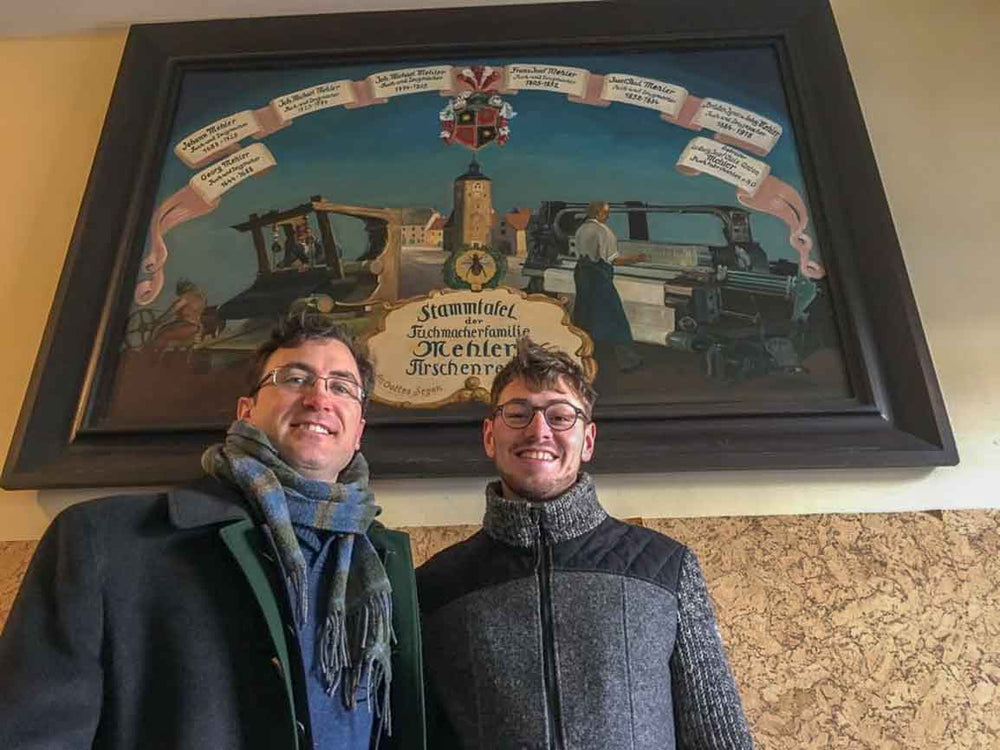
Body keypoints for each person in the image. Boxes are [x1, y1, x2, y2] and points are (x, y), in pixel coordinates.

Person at [0, 316, 425, 750]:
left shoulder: (384, 562)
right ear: (246, 412)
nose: (319, 397)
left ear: (358, 433)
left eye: (341, 387)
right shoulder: (101, 541)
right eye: (295, 377)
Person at [417, 338, 754, 750]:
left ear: (588, 441)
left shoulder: (666, 568)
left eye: (560, 416)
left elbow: (718, 738)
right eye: (518, 414)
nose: (539, 430)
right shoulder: (436, 587)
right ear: (489, 436)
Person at [571, 201, 648, 373]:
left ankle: (578, 357)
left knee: (584, 314)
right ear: (597, 213)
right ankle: (628, 360)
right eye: (606, 212)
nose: (608, 216)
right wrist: (638, 258)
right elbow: (614, 260)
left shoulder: (581, 229)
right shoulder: (603, 231)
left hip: (582, 273)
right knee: (615, 316)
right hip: (598, 275)